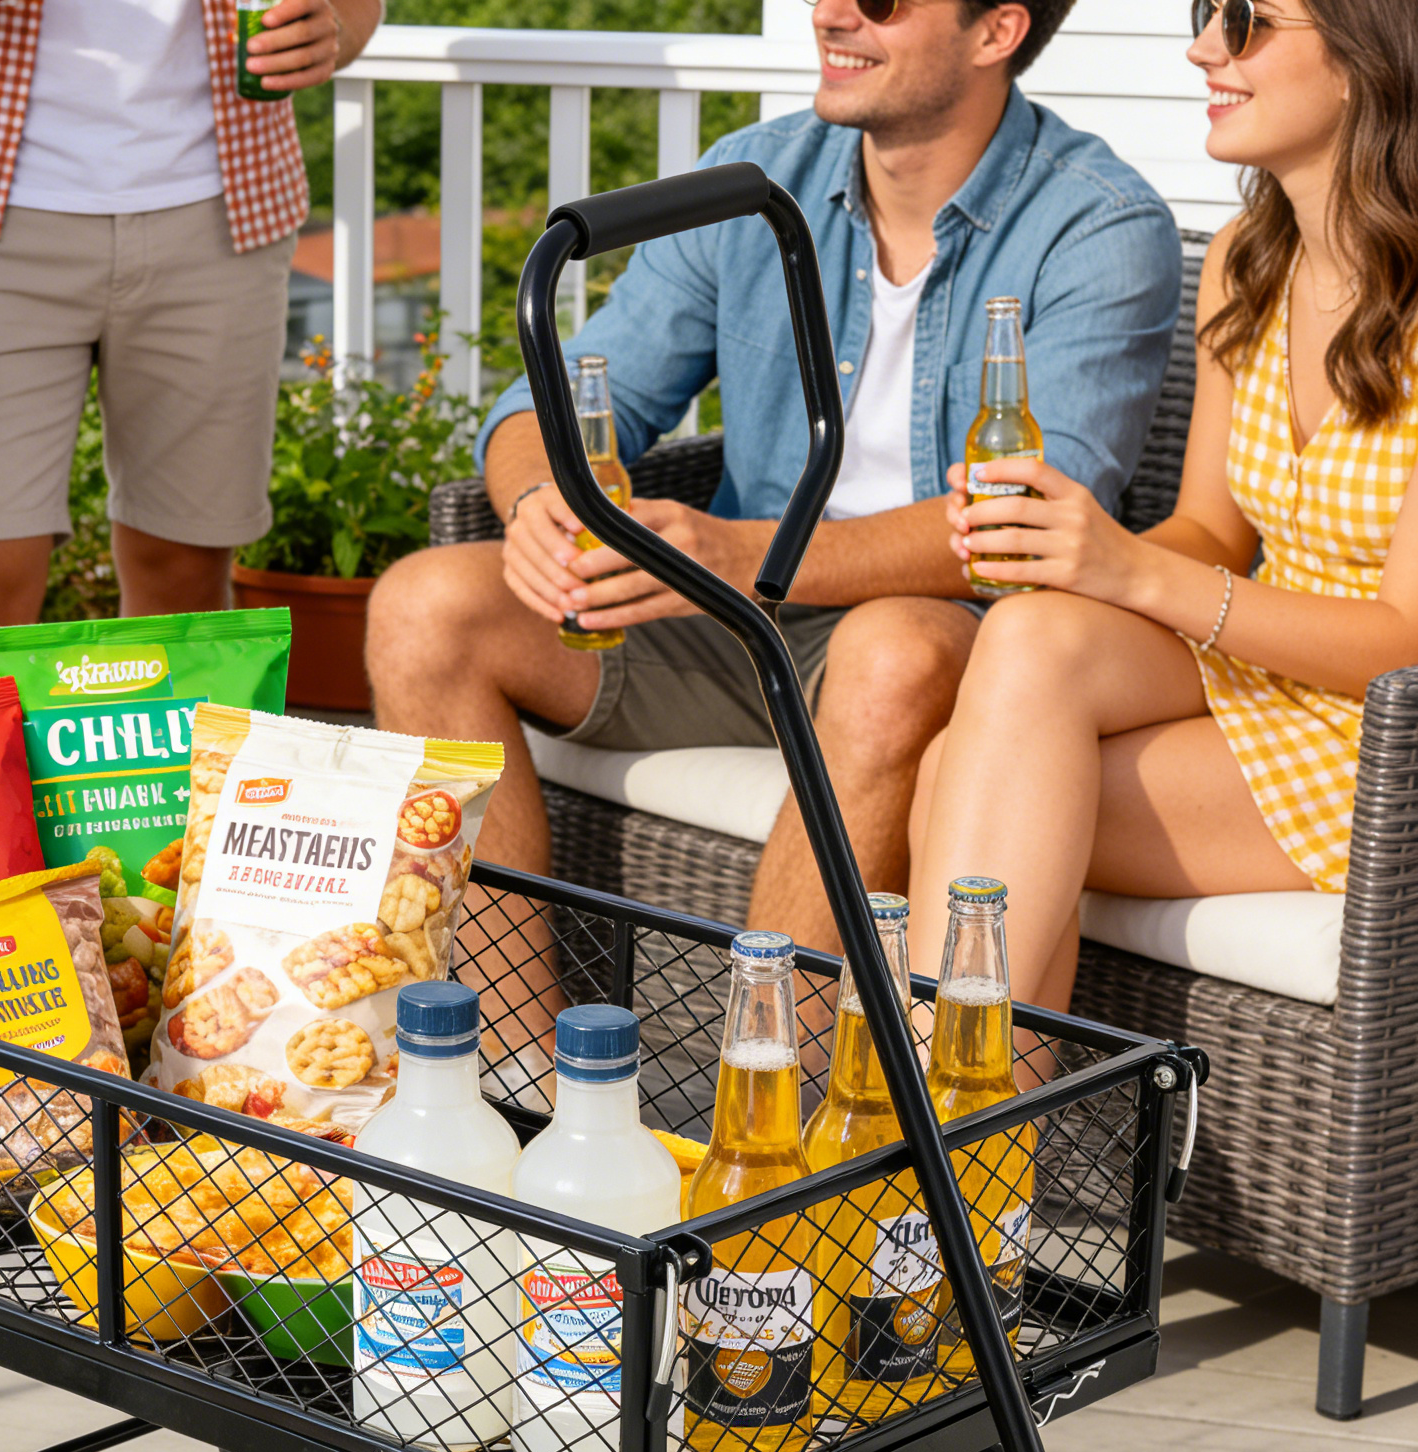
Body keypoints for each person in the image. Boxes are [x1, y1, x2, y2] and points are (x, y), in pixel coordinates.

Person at [368, 0, 1183, 956]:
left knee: (888, 657)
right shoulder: (751, 179)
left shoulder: (1101, 225)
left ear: (996, 32)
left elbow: (1022, 523)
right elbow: (545, 405)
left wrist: (743, 556)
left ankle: (767, 1097)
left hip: (943, 631)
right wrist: (544, 505)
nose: (833, 13)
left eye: (881, 1)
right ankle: (515, 1081)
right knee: (425, 604)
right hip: (735, 621)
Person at [908, 0, 1418, 1007]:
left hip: (1387, 731)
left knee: (963, 783)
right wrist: (1074, 547)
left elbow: (1400, 645)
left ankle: (947, 1146)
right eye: (1203, 13)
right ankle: (962, 1139)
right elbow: (1210, 531)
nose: (1202, 48)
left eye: (1247, 20)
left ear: (1371, 54)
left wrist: (1130, 570)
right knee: (1029, 637)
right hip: (1271, 671)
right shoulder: (1245, 260)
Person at [0, 0, 382, 638]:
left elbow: (351, 9)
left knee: (185, 585)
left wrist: (329, 33)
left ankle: (157, 743)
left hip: (219, 217)